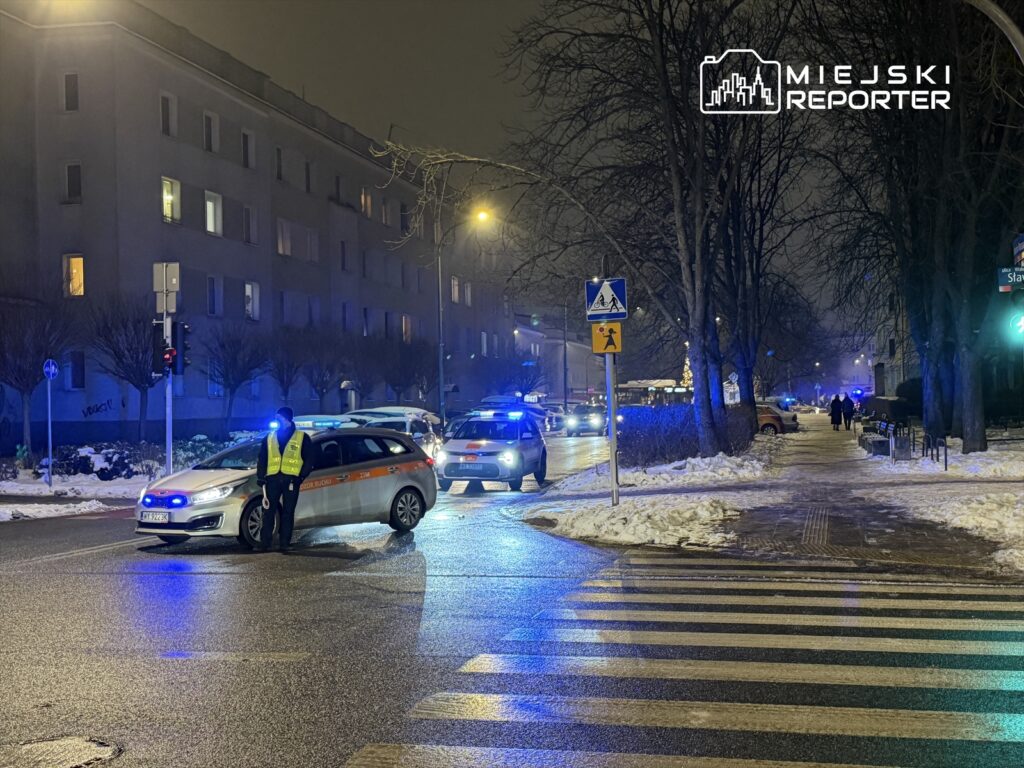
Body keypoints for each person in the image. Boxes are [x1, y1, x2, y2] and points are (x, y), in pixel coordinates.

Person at [256, 407, 313, 552]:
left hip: (291, 480)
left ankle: (284, 543)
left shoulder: (302, 437)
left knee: (288, 512)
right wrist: (261, 477)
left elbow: (309, 460)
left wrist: (300, 477)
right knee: (268, 511)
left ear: (287, 419)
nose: (276, 420)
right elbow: (262, 459)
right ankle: (265, 542)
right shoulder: (270, 437)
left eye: (279, 418)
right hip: (272, 480)